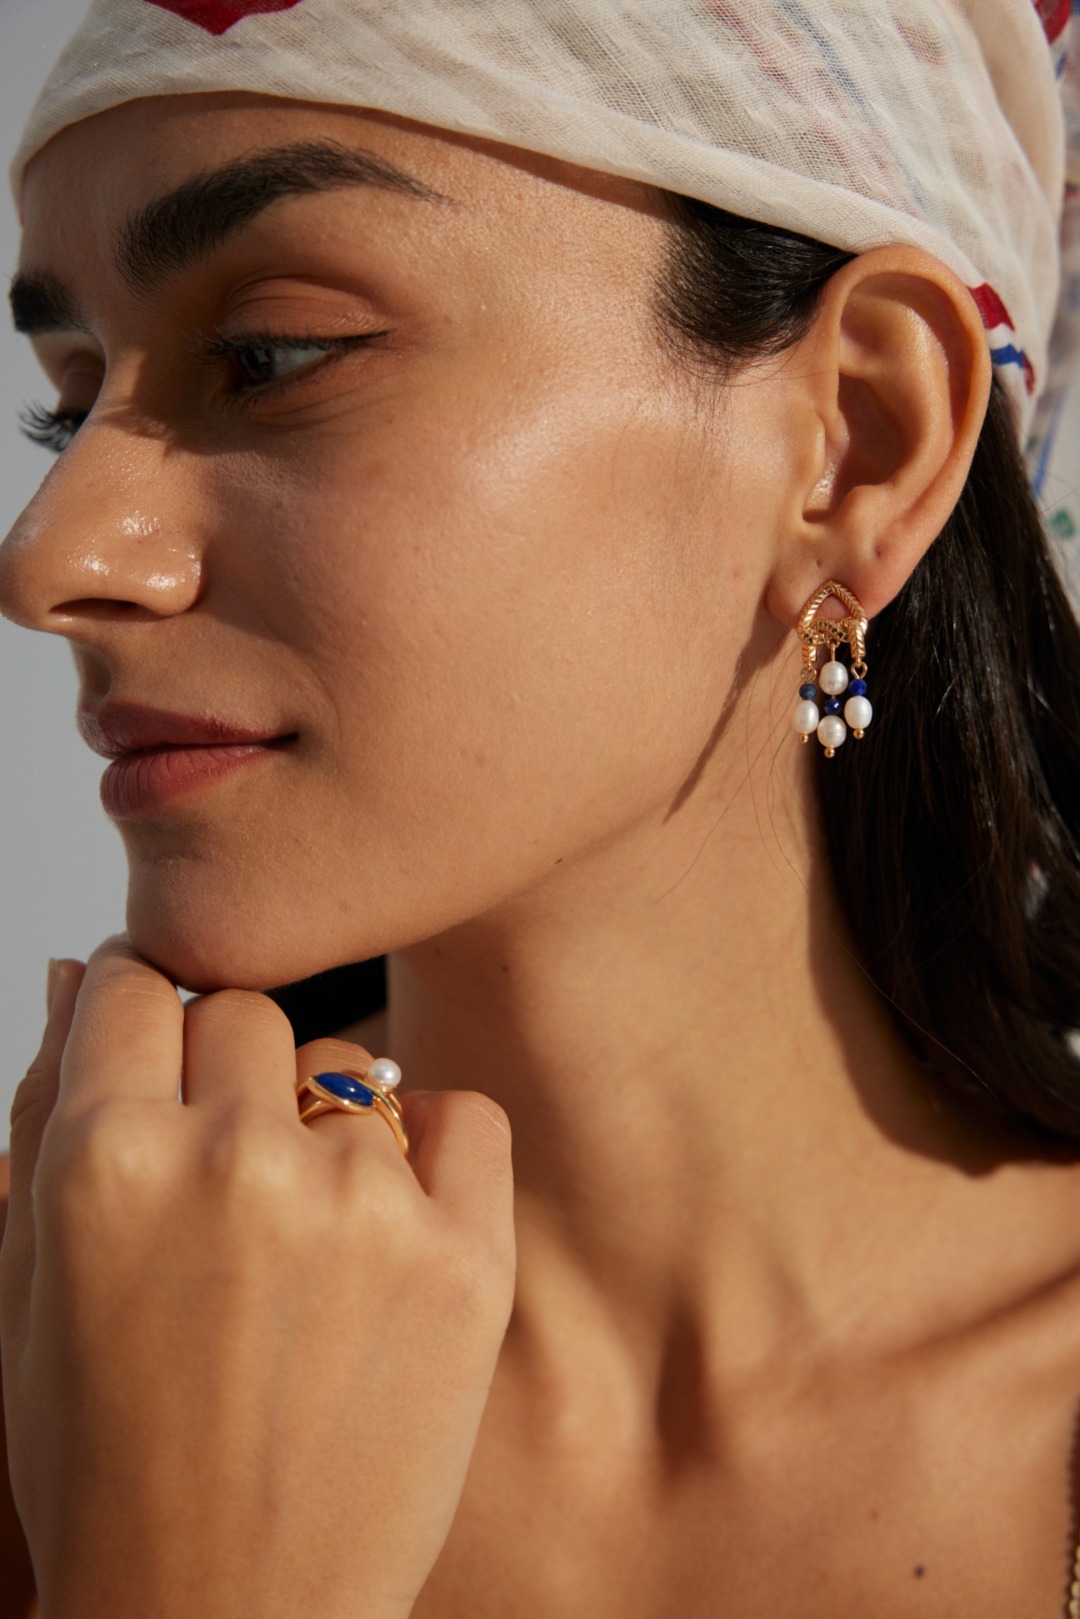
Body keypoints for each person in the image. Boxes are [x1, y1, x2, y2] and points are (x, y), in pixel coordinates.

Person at [1, 1, 1080, 1614]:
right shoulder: (57, 1363)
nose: (52, 554)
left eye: (271, 358)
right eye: (71, 394)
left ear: (857, 441)